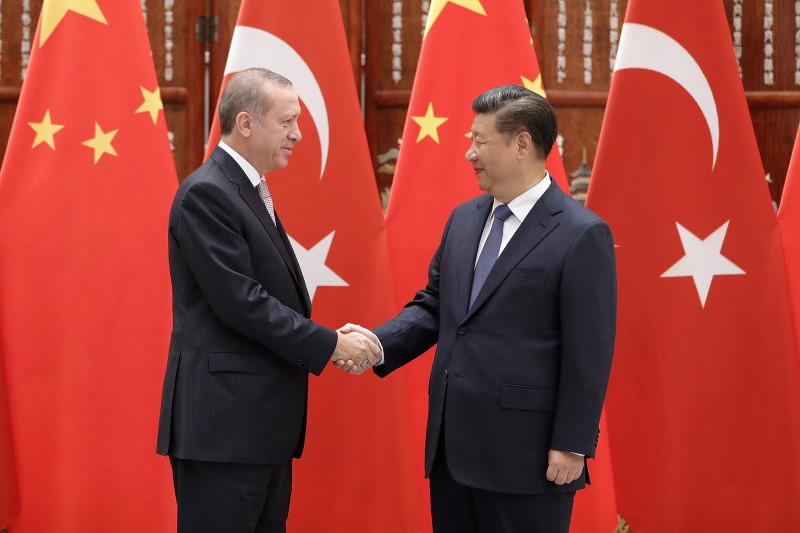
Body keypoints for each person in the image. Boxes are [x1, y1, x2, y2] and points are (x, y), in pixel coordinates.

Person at [340, 85, 616, 532]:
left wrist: (572, 442)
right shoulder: (464, 218)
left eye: (479, 141)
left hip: (527, 457)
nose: (469, 153)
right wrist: (375, 344)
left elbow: (590, 350)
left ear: (522, 143)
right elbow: (436, 307)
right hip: (453, 449)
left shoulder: (581, 233)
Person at [156, 68, 379, 533]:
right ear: (246, 123)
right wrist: (331, 345)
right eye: (288, 122)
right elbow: (242, 302)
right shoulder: (208, 193)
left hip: (258, 428)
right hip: (224, 430)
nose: (298, 134)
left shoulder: (247, 189)